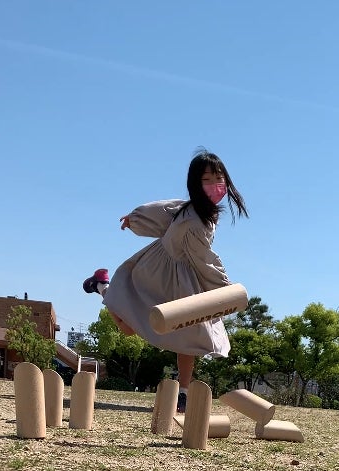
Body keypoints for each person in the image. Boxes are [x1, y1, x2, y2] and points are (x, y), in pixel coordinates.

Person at [83, 148, 248, 412]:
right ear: (195, 184)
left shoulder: (203, 212)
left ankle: (183, 393)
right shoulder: (193, 219)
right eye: (206, 180)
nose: (215, 185)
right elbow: (203, 258)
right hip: (160, 271)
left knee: (192, 334)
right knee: (129, 328)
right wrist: (225, 290)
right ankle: (103, 286)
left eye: (219, 178)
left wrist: (135, 218)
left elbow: (164, 210)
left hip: (185, 277)